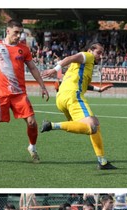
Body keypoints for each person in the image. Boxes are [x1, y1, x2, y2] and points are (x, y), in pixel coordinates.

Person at [0, 19, 49, 163]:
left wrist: (42, 86)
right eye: (16, 32)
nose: (18, 36)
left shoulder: (24, 49)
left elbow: (33, 68)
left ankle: (32, 148)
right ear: (7, 31)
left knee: (32, 122)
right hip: (0, 94)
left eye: (20, 33)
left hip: (19, 94)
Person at [41, 42, 115, 170]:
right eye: (98, 52)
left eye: (102, 53)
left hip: (61, 98)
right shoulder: (87, 56)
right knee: (92, 127)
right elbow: (69, 58)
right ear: (90, 51)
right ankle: (52, 125)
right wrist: (55, 69)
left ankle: (103, 161)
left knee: (94, 123)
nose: (100, 56)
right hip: (73, 96)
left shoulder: (83, 66)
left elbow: (84, 84)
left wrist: (99, 90)